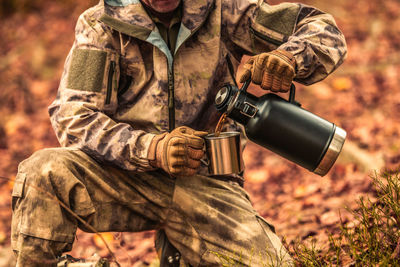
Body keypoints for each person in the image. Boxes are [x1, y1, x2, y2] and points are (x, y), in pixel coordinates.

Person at [11, 0, 347, 266]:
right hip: (124, 178)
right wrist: (151, 148)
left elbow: (323, 29)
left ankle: (181, 251)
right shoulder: (102, 24)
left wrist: (290, 57)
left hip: (207, 185)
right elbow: (73, 115)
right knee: (43, 172)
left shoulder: (225, 9)